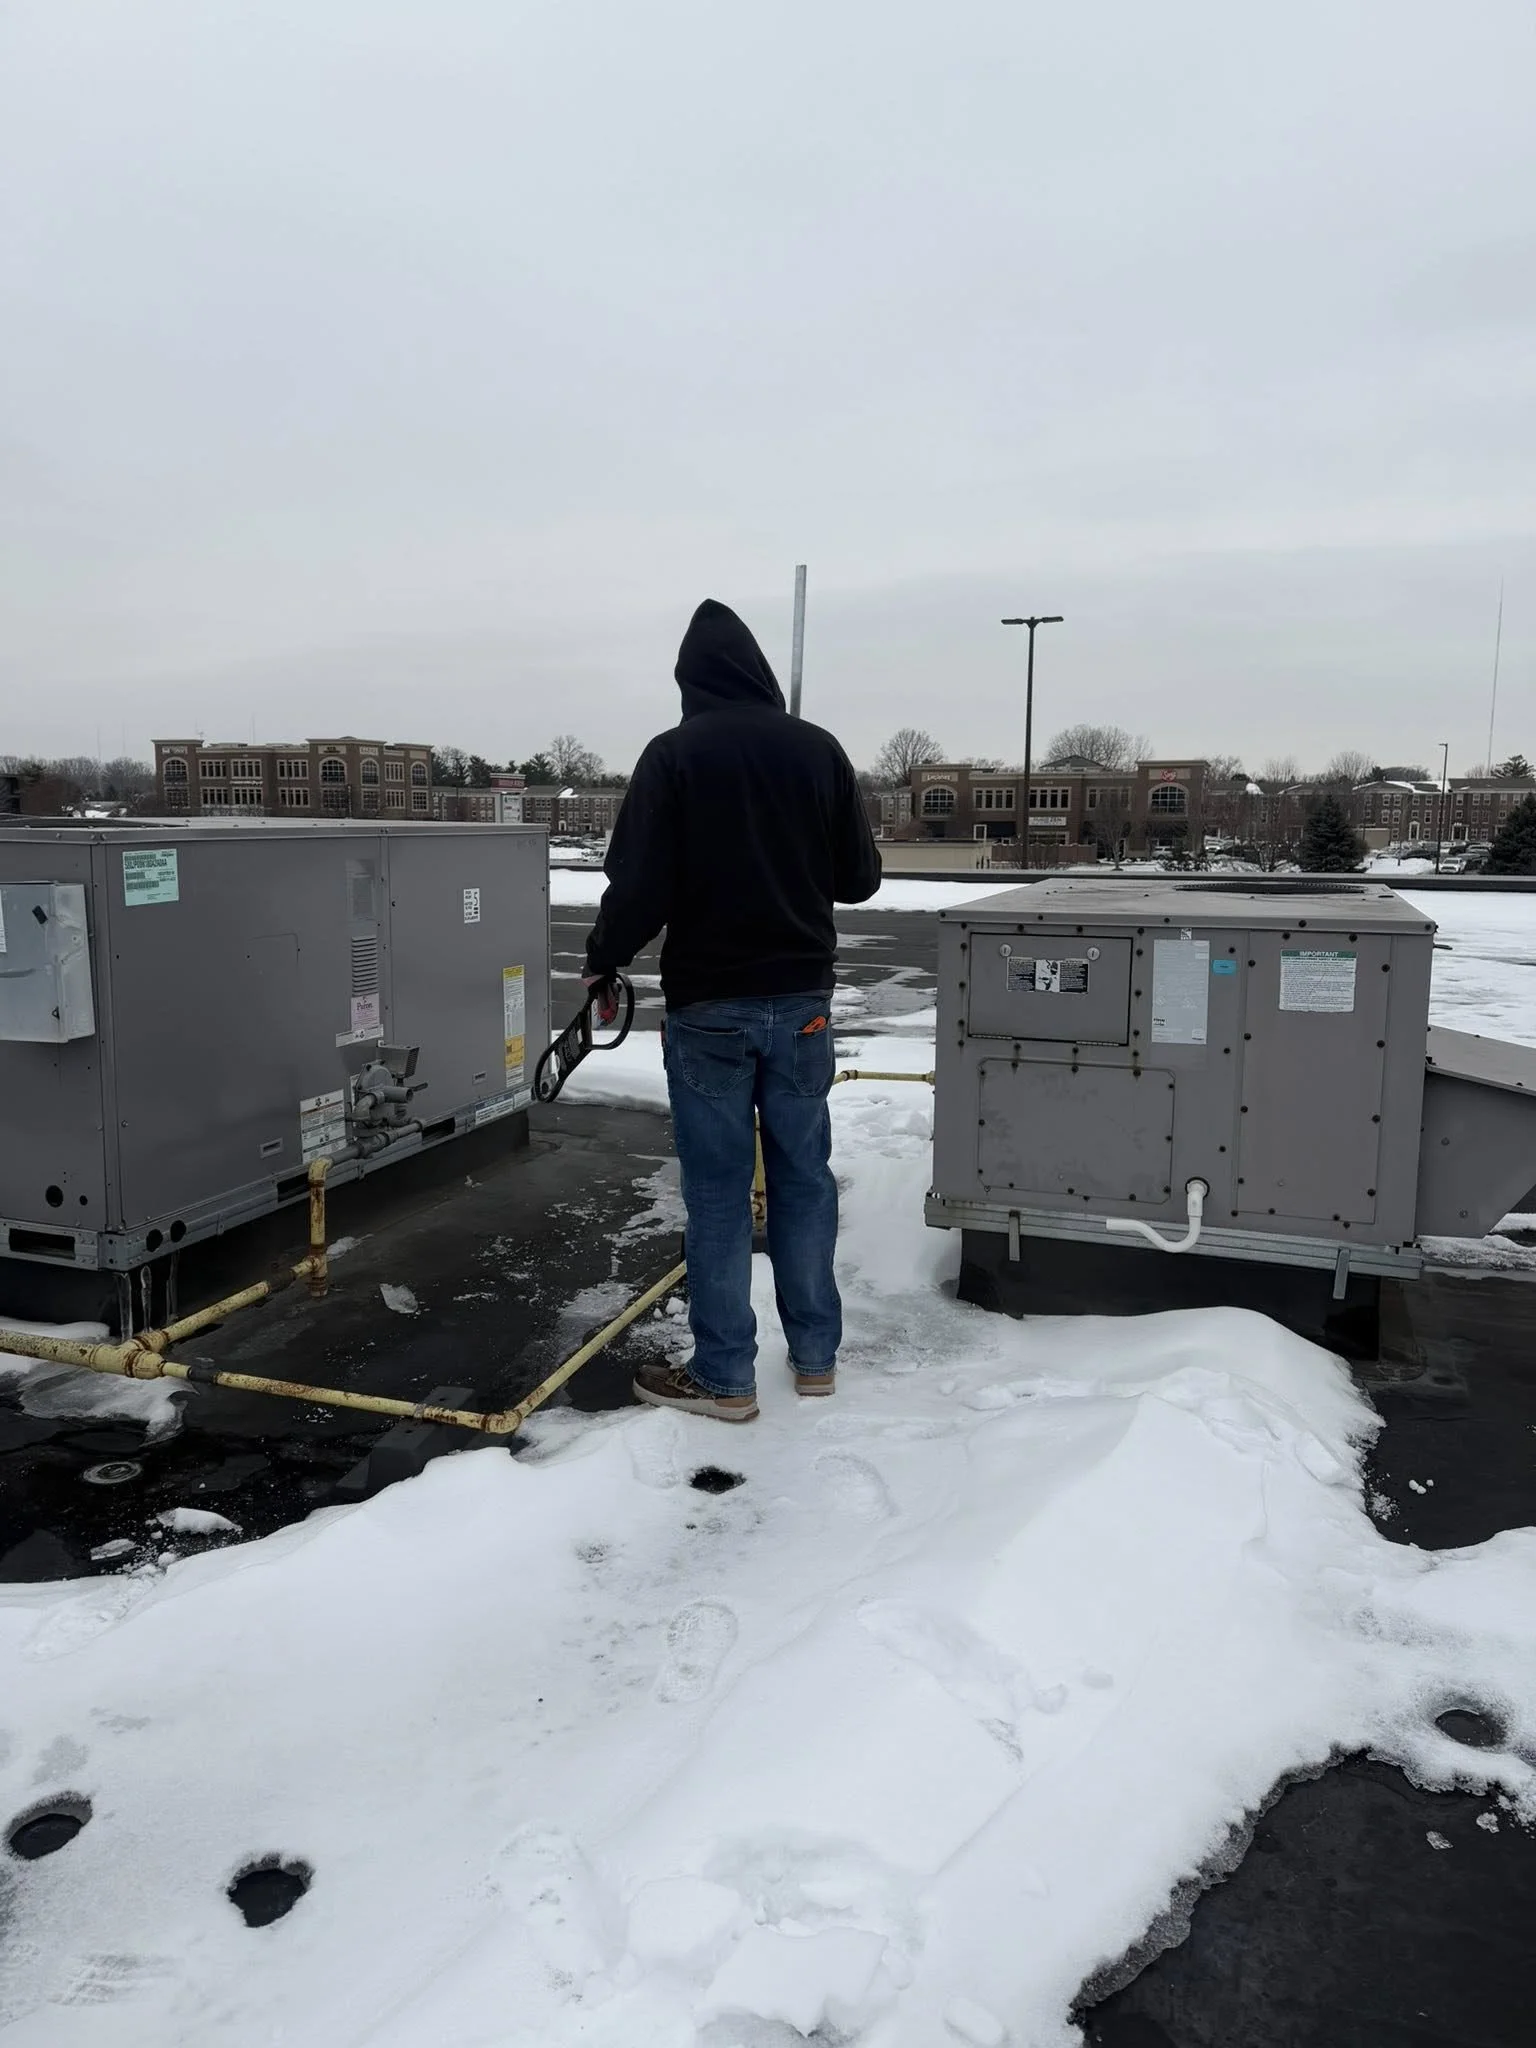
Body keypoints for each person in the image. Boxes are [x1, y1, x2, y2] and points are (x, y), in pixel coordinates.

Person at [583, 598, 882, 1422]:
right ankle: (815, 1359)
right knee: (803, 1179)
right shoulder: (818, 750)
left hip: (710, 1005)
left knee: (716, 1194)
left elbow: (638, 885)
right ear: (757, 670)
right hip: (803, 1005)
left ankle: (725, 1377)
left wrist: (604, 957)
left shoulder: (673, 755)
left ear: (690, 682)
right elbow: (860, 880)